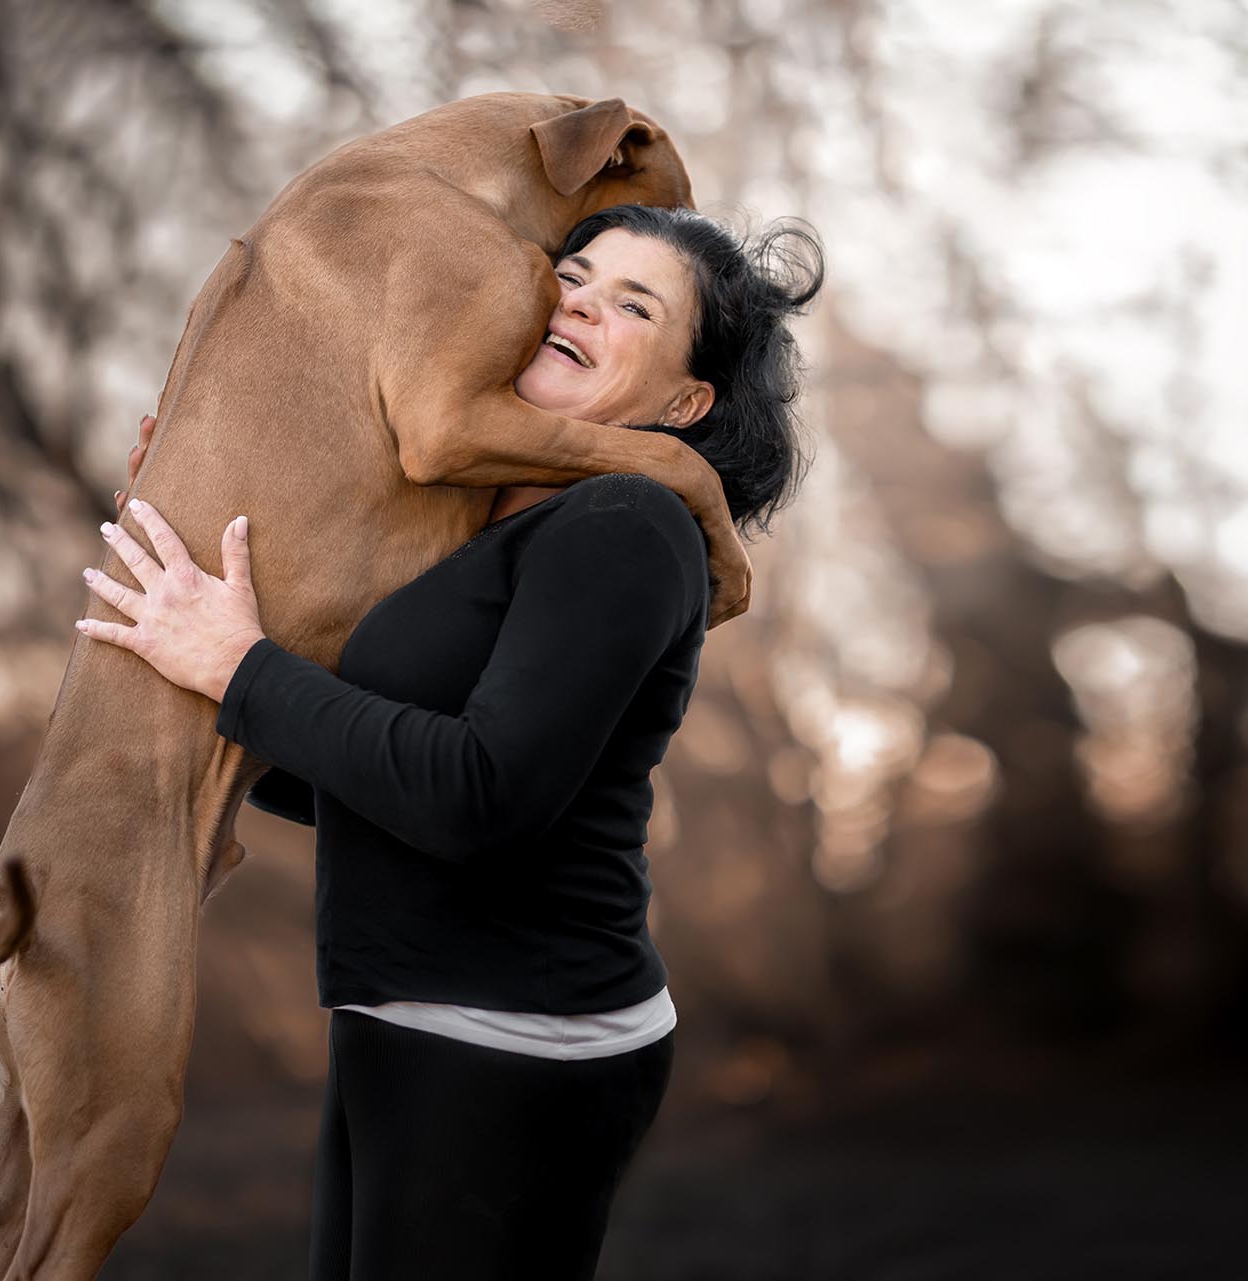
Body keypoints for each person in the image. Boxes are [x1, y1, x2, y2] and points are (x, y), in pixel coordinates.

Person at [76, 204, 821, 1281]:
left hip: (517, 1047)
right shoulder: (484, 523)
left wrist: (243, 670)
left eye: (633, 304)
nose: (580, 302)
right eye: (574, 273)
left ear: (682, 400)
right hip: (414, 1023)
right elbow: (381, 779)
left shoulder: (625, 525)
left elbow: (476, 796)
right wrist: (195, 636)